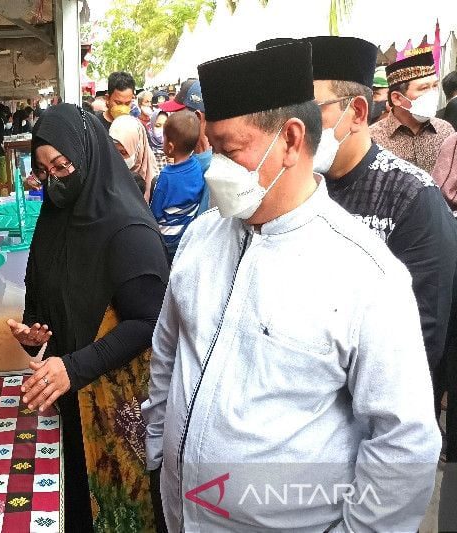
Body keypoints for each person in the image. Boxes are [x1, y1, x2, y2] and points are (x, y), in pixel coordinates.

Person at [144, 42, 441, 533]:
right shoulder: (201, 239)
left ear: (290, 139)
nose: (215, 168)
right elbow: (168, 353)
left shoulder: (366, 275)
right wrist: (159, 451)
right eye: (210, 149)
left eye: (230, 150)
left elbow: (403, 442)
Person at [7, 104, 170, 532]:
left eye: (62, 166)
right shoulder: (56, 216)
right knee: (75, 501)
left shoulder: (127, 228)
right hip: (68, 394)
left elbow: (147, 320)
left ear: (89, 154)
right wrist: (35, 331)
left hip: (116, 405)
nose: (54, 181)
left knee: (117, 509)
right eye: (44, 171)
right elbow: (44, 289)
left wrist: (74, 366)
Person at [306, 35, 457, 385]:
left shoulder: (413, 198)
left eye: (313, 111)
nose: (298, 126)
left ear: (357, 112)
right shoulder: (300, 190)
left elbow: (422, 337)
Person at [369, 51, 455, 174]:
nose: (432, 94)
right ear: (397, 98)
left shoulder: (445, 131)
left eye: (435, 86)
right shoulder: (373, 139)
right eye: (424, 88)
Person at [149, 110, 205, 263]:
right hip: (186, 235)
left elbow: (155, 211)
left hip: (167, 239)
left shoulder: (166, 176)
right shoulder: (197, 166)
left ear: (171, 147)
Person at [109, 115, 159, 201]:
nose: (118, 158)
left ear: (138, 148)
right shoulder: (103, 177)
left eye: (123, 152)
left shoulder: (155, 185)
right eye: (114, 151)